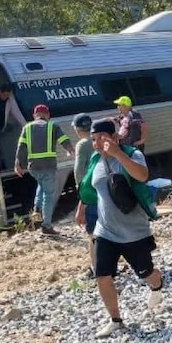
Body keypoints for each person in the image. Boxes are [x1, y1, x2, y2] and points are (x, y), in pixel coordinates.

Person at [78, 119, 163, 339]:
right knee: (102, 274)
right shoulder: (95, 159)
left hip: (134, 231)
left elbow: (142, 176)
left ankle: (157, 285)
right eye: (93, 139)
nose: (96, 144)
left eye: (101, 139)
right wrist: (81, 207)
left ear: (114, 138)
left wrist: (117, 154)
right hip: (105, 231)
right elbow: (91, 186)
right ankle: (115, 320)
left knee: (146, 273)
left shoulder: (132, 154)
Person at [14, 104, 74, 235]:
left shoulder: (27, 127)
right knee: (49, 195)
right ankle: (46, 226)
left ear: (34, 115)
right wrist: (70, 150)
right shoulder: (53, 126)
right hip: (48, 166)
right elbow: (64, 139)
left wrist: (17, 164)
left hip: (33, 167)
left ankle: (36, 210)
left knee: (41, 187)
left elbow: (21, 147)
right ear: (48, 115)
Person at [71, 113, 97, 277]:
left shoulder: (82, 144)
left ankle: (96, 268)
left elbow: (79, 172)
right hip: (105, 191)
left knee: (93, 232)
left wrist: (81, 198)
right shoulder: (98, 140)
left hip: (91, 194)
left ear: (76, 129)